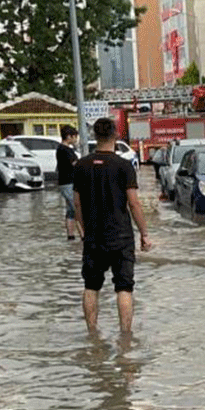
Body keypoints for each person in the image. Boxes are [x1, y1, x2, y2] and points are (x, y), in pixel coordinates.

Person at [73, 117, 152, 334]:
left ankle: (92, 334)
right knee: (124, 287)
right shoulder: (124, 166)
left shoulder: (81, 166)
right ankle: (125, 337)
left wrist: (84, 231)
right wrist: (144, 234)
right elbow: (134, 203)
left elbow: (77, 204)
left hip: (93, 236)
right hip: (121, 236)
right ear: (116, 136)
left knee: (91, 286)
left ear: (95, 137)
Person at [56, 125, 81, 240]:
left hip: (65, 182)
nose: (76, 139)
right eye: (75, 136)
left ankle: (71, 236)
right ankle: (83, 235)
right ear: (69, 136)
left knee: (70, 210)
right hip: (69, 183)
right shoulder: (65, 150)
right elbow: (74, 165)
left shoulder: (61, 149)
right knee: (77, 209)